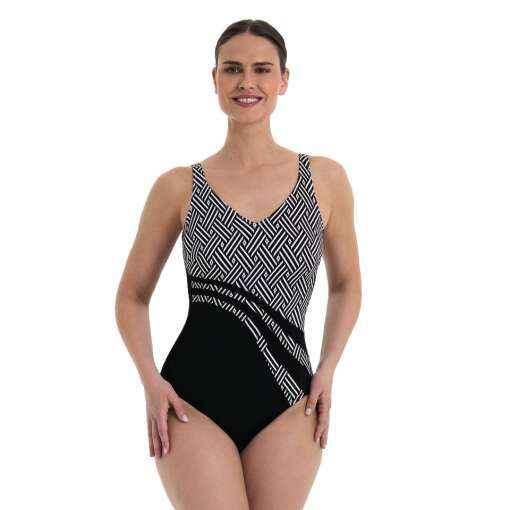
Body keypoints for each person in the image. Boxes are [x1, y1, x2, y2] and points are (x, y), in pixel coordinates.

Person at [115, 18, 362, 510]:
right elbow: (131, 296)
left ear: (283, 80)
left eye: (261, 69)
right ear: (215, 79)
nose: (246, 82)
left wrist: (329, 367)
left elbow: (346, 285)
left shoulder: (326, 179)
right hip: (191, 400)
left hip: (290, 397)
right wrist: (149, 381)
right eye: (232, 69)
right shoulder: (178, 186)